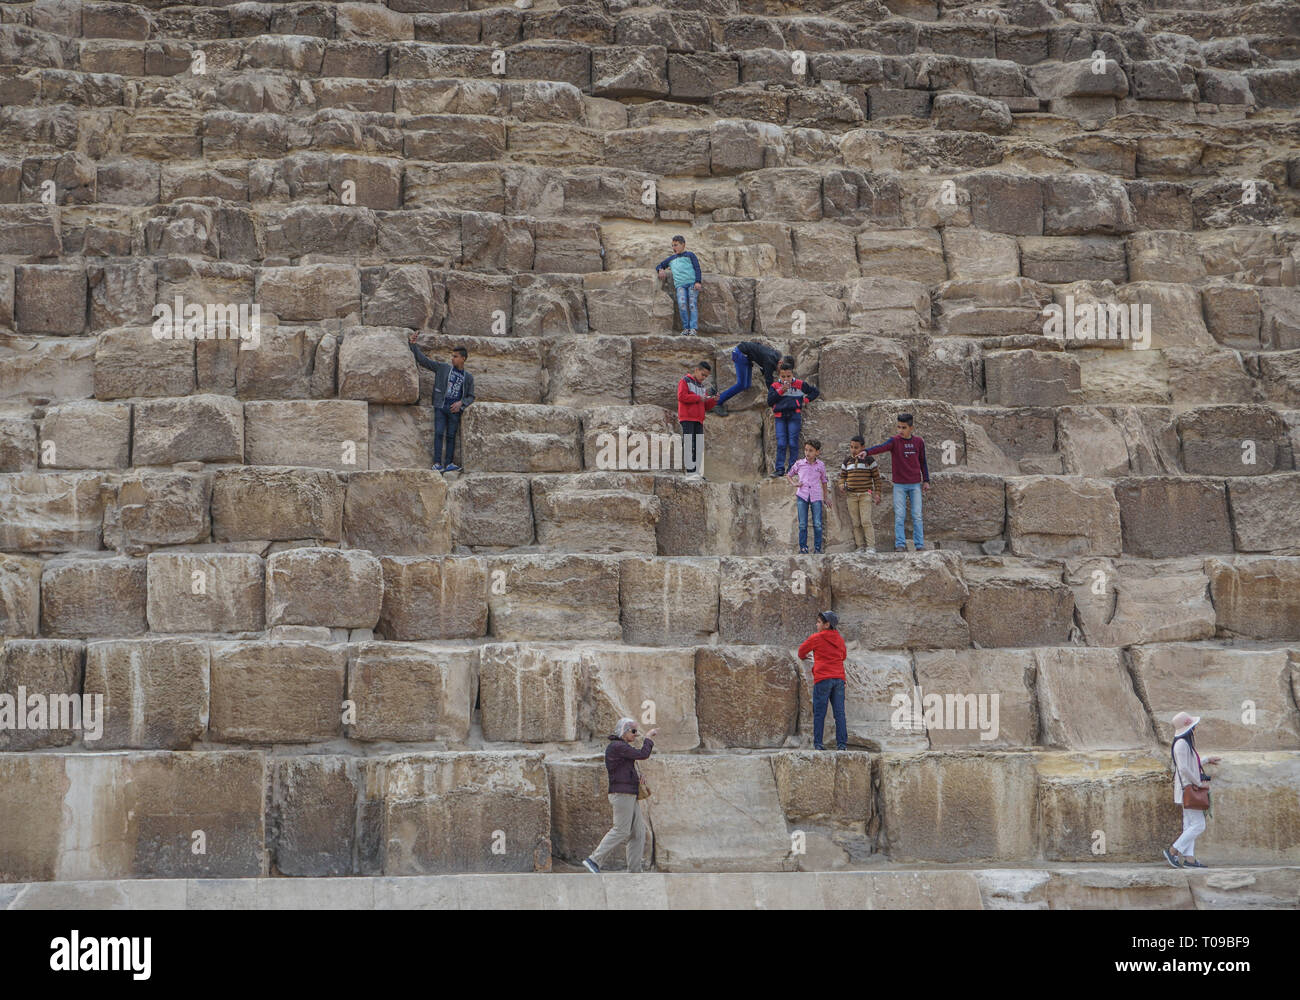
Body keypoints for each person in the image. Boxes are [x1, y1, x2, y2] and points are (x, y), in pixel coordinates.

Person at [583, 717, 658, 874]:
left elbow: (624, 770)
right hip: (622, 795)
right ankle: (594, 860)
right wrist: (648, 738)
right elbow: (643, 754)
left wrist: (638, 779)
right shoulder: (617, 746)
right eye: (633, 731)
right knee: (621, 830)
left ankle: (635, 870)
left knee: (638, 832)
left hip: (630, 794)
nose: (635, 735)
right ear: (624, 730)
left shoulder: (622, 747)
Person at [408, 334, 475, 473]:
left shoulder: (468, 377)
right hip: (440, 405)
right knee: (438, 433)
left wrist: (461, 403)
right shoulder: (443, 368)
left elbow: (471, 396)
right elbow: (424, 361)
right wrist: (413, 345)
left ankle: (449, 463)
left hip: (455, 410)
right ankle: (437, 464)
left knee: (451, 436)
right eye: (452, 356)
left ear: (463, 358)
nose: (453, 358)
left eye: (455, 356)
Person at [1163, 712, 1221, 870]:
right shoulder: (1182, 744)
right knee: (1198, 825)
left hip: (1187, 789)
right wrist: (1199, 784)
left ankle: (1189, 859)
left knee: (1189, 826)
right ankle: (1173, 851)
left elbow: (1191, 764)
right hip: (1188, 789)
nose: (1195, 728)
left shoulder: (1184, 743)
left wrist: (1207, 760)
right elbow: (1183, 768)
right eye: (1193, 726)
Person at [864, 413, 929, 552]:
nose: (900, 430)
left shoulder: (919, 442)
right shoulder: (894, 441)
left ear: (911, 428)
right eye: (898, 427)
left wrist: (926, 480)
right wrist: (866, 452)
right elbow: (880, 447)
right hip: (899, 484)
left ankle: (919, 544)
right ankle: (900, 544)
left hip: (915, 484)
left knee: (917, 515)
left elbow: (923, 462)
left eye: (904, 427)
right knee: (899, 515)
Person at [797, 611, 847, 751]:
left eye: (819, 622)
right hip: (838, 679)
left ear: (827, 624)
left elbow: (801, 652)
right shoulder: (839, 639)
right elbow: (843, 656)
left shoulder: (816, 638)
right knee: (840, 714)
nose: (816, 624)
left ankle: (818, 744)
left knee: (820, 713)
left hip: (823, 679)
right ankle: (842, 745)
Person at [767, 361, 820, 477]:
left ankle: (792, 468)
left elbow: (815, 392)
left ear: (793, 375)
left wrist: (806, 400)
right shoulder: (775, 386)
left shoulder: (800, 384)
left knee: (793, 443)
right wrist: (781, 390)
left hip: (794, 416)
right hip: (779, 417)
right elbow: (769, 401)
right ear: (779, 376)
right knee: (781, 443)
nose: (786, 379)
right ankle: (779, 469)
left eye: (789, 376)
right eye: (783, 376)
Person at [838, 434, 883, 552]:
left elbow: (876, 478)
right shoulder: (847, 461)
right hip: (851, 495)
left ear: (863, 447)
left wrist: (877, 493)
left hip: (865, 494)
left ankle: (871, 546)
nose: (853, 450)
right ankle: (860, 546)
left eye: (856, 447)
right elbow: (842, 476)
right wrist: (841, 484)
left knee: (866, 521)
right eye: (851, 447)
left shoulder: (869, 460)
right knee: (856, 522)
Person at [715, 340, 782, 415]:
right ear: (780, 363)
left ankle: (717, 398)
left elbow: (763, 365)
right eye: (781, 369)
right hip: (740, 354)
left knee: (746, 385)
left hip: (747, 356)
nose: (780, 372)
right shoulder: (770, 361)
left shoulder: (776, 356)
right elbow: (769, 380)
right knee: (741, 384)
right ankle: (717, 402)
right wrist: (774, 397)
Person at [787, 439, 830, 554]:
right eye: (806, 450)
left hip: (816, 496)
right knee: (802, 524)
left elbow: (824, 481)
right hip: (802, 495)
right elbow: (789, 474)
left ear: (817, 452)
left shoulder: (820, 465)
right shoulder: (799, 463)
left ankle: (817, 549)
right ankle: (803, 548)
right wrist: (794, 484)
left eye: (811, 450)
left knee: (817, 523)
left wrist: (826, 497)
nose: (807, 453)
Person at [677, 359, 717, 480]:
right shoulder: (685, 381)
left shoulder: (702, 387)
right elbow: (681, 396)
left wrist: (713, 400)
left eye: (706, 376)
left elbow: (705, 406)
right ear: (696, 370)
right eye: (703, 374)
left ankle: (697, 472)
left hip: (699, 419)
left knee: (698, 446)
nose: (704, 377)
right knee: (689, 444)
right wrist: (698, 398)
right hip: (687, 417)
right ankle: (690, 472)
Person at [655, 235, 703, 336]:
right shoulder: (671, 259)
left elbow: (697, 268)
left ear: (683, 245)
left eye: (676, 245)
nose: (674, 247)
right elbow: (660, 265)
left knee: (692, 305)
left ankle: (693, 328)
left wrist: (698, 281)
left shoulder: (690, 255)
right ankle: (686, 328)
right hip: (680, 286)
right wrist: (660, 270)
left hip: (692, 284)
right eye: (672, 245)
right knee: (682, 305)